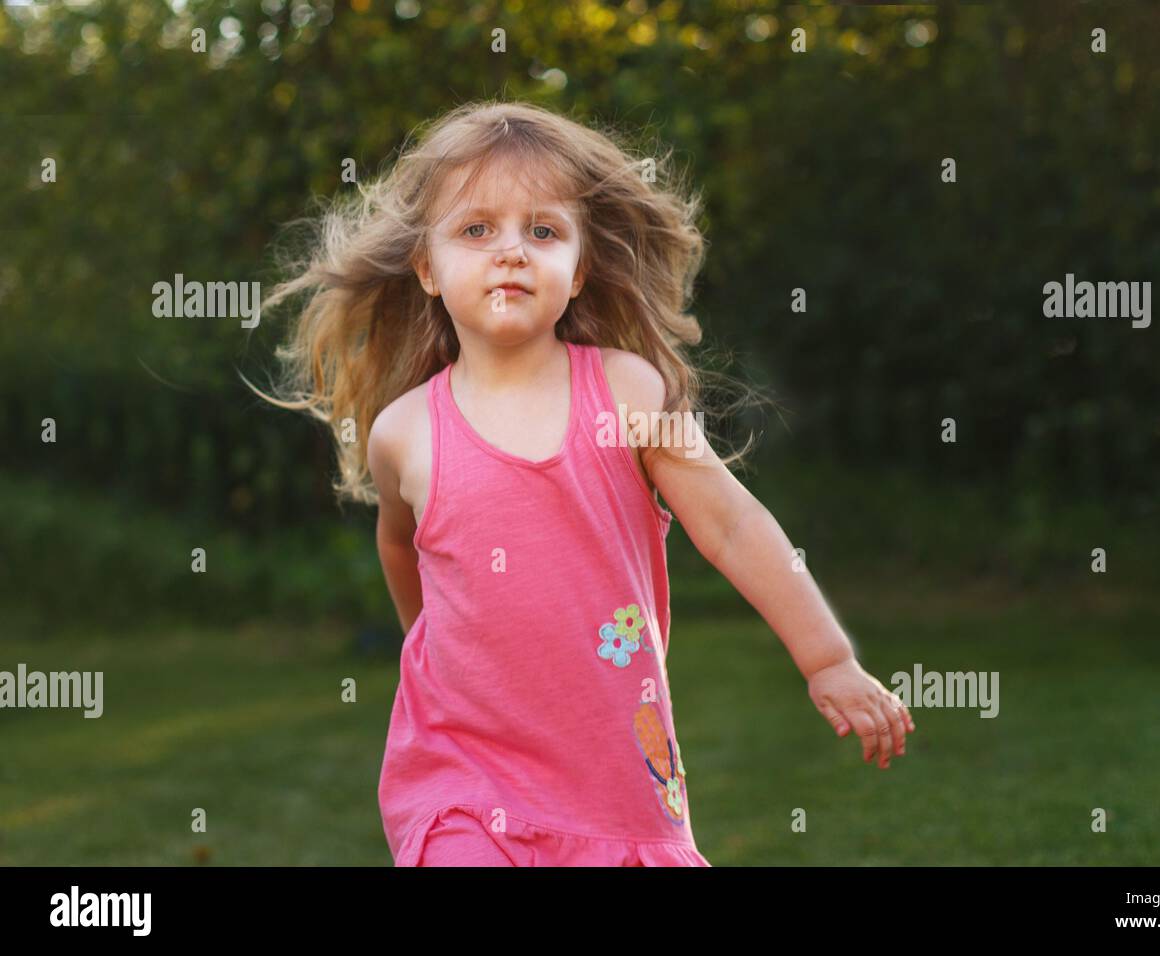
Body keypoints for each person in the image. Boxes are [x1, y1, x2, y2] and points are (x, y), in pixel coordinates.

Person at [250, 99, 915, 866]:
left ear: (581, 268)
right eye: (477, 229)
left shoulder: (629, 394)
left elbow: (731, 524)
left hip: (613, 785)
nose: (511, 251)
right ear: (427, 268)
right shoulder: (406, 434)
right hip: (462, 775)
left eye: (543, 230)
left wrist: (828, 658)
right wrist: (435, 655)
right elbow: (402, 550)